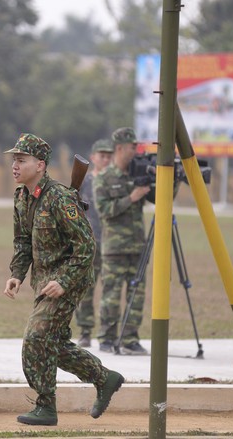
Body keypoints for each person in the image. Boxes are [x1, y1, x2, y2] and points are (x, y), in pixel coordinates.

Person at [2, 133, 125, 426]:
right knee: (52, 344)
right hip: (44, 280)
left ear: (40, 165)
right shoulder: (21, 197)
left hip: (70, 277)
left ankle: (46, 407)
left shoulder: (59, 197)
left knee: (36, 337)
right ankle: (104, 378)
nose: (15, 166)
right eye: (14, 160)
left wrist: (65, 281)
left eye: (21, 160)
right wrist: (17, 275)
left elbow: (86, 247)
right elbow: (22, 242)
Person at [93, 127, 151, 355]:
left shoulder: (138, 174)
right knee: (111, 295)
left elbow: (159, 196)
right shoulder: (105, 178)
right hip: (114, 249)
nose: (135, 150)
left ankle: (130, 339)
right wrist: (131, 198)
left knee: (137, 296)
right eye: (132, 147)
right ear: (120, 148)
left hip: (138, 247)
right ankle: (106, 338)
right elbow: (104, 210)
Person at [74, 138, 114, 348]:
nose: (106, 159)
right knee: (87, 289)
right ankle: (85, 331)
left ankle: (108, 333)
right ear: (93, 158)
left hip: (112, 243)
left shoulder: (116, 181)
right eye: (102, 156)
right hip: (90, 242)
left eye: (109, 156)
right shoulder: (84, 182)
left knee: (111, 290)